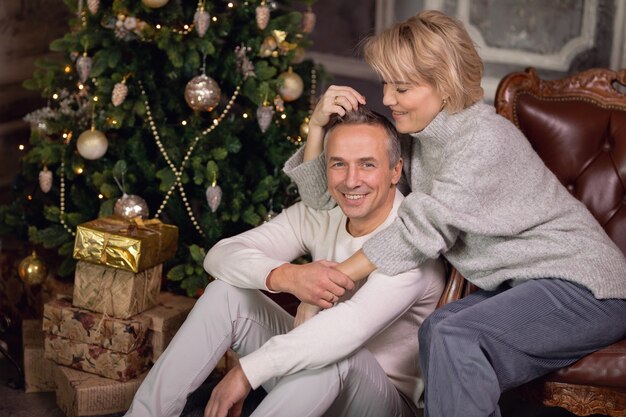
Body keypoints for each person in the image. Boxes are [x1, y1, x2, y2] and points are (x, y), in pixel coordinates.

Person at [283, 9, 626, 417]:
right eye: (386, 84)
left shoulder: (483, 137)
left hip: (586, 286)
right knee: (438, 332)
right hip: (521, 287)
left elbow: (419, 230)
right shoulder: (416, 141)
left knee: (454, 335)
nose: (387, 98)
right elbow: (325, 198)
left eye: (402, 87)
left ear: (443, 86)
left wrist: (328, 286)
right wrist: (317, 127)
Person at [124, 107, 445, 417]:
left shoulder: (410, 239)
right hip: (306, 376)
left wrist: (246, 373)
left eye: (367, 165)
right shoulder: (323, 214)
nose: (351, 180)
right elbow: (220, 255)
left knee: (332, 351)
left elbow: (347, 329)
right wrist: (287, 276)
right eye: (338, 164)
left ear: (395, 170)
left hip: (382, 402)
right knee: (226, 294)